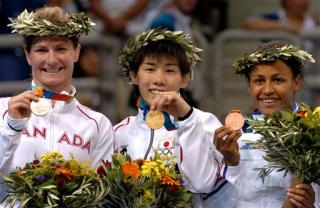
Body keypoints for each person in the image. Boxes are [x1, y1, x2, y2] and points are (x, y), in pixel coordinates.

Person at [113, 28, 242, 207]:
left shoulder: (205, 123)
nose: (159, 79)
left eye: (170, 70)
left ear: (185, 79)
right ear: (134, 76)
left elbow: (201, 183)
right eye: (150, 68)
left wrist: (186, 118)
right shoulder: (120, 131)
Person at [0, 5, 114, 200]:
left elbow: (100, 196)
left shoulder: (98, 124)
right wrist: (11, 127)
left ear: (76, 52)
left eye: (61, 48)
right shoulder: (3, 110)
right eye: (42, 50)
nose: (51, 60)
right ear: (28, 55)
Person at [214, 40, 320, 207]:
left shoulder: (313, 130)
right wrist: (230, 162)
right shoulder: (236, 133)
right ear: (249, 86)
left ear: (296, 82)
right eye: (259, 81)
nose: (268, 89)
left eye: (278, 80)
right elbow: (220, 200)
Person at [244, 0, 318, 34]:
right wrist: (286, 27)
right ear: (287, 1)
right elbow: (249, 23)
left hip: (309, 64)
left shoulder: (313, 22)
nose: (305, 1)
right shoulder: (274, 17)